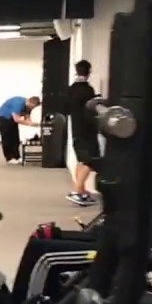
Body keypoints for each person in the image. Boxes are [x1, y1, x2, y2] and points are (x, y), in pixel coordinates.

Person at [65, 60, 99, 207]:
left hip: (76, 128)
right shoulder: (87, 90)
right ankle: (78, 191)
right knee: (90, 160)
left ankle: (80, 191)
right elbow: (91, 109)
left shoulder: (71, 89)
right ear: (89, 72)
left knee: (81, 160)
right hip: (87, 129)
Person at [0, 95, 40, 164]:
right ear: (30, 102)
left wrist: (32, 123)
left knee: (15, 138)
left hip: (11, 118)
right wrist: (30, 124)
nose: (32, 108)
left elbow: (27, 116)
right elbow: (16, 119)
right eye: (32, 107)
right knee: (7, 138)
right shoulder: (18, 103)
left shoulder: (27, 106)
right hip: (3, 117)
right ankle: (9, 158)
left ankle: (16, 157)